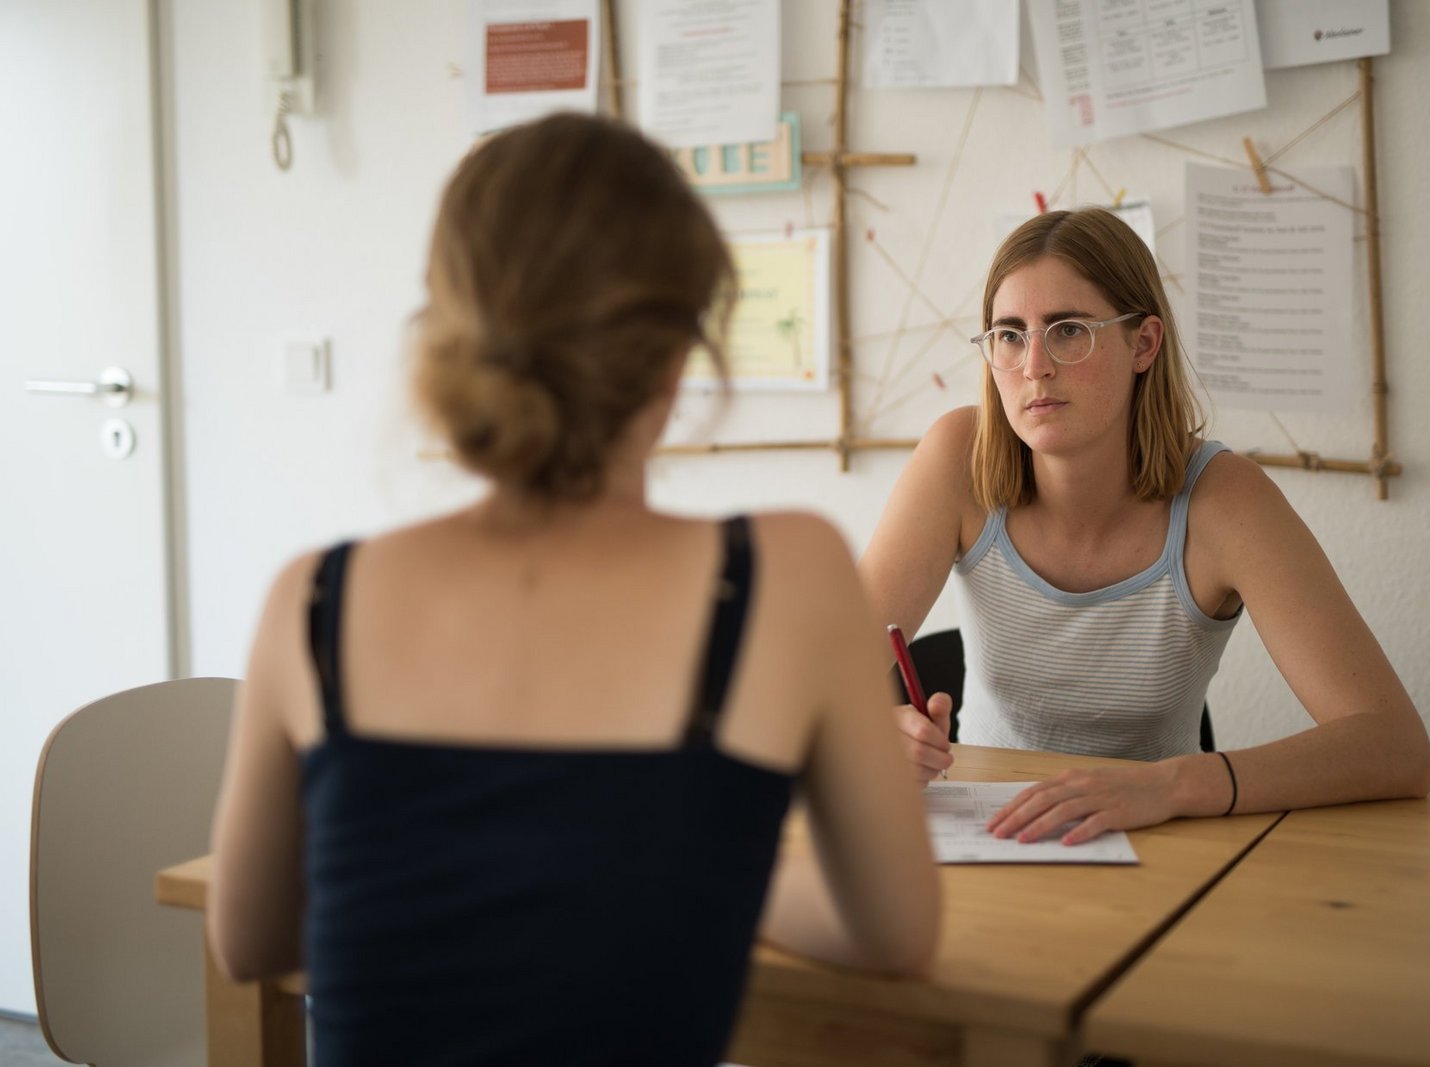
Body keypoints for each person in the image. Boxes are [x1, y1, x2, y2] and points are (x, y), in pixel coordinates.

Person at [207, 113, 939, 1066]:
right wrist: (699, 876)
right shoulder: (789, 575)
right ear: (680, 351)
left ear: (450, 333)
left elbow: (249, 938)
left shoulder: (312, 599)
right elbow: (894, 935)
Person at [861, 207, 1430, 846]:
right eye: (1010, 334)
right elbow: (803, 681)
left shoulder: (1225, 499)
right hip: (987, 831)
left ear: (1144, 344)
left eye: (1068, 330)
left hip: (1162, 842)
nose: (1034, 367)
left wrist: (1170, 785)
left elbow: (1396, 746)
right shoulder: (956, 457)